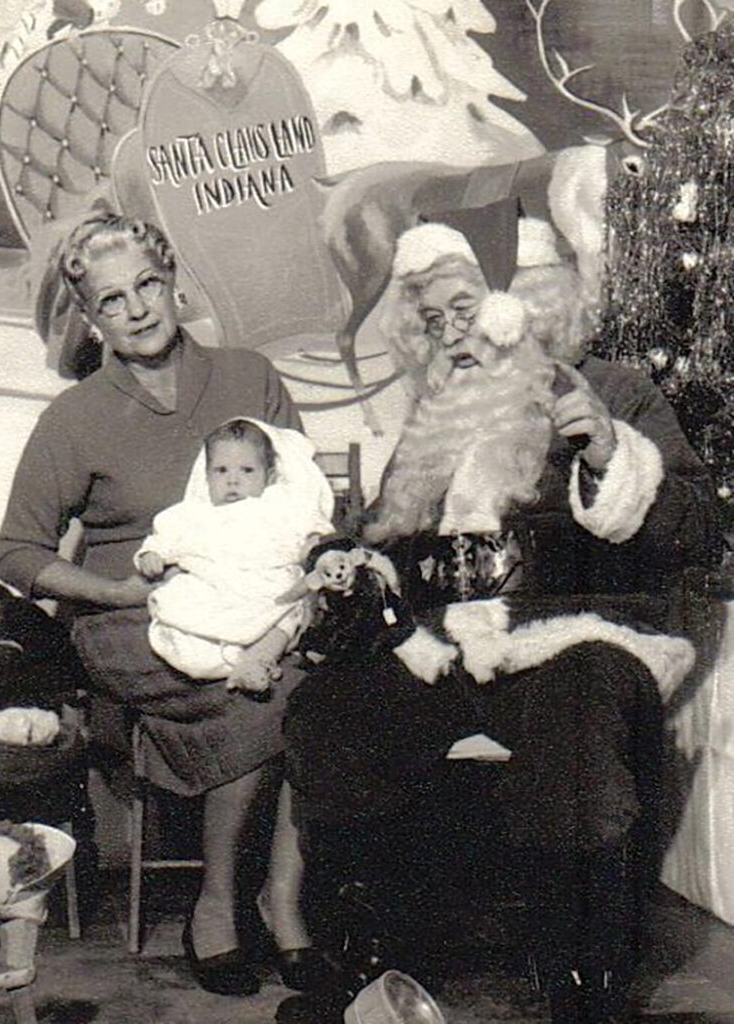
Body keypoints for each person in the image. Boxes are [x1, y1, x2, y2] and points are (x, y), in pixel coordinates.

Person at [277, 214, 722, 1024]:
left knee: (574, 725)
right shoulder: (437, 413)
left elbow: (697, 529)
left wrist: (605, 455)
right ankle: (378, 967)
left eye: (466, 310)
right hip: (451, 650)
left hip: (585, 634)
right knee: (333, 712)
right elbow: (391, 536)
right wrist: (349, 559)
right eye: (435, 319)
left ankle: (583, 979)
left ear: (521, 305)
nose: (454, 336)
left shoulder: (615, 389)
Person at [0, 212, 329, 996]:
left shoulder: (250, 378)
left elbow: (305, 502)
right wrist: (111, 589)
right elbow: (17, 553)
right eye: (112, 300)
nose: (138, 309)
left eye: (147, 284)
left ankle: (281, 901)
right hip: (130, 622)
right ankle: (220, 905)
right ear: (90, 315)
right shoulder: (73, 419)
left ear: (174, 278)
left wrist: (294, 603)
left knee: (314, 685)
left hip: (253, 602)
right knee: (265, 702)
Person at [135, 417, 334, 685]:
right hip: (212, 589)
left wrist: (313, 542)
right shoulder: (193, 513)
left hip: (266, 591)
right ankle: (221, 659)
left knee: (291, 609)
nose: (233, 480)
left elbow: (312, 525)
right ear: (206, 477)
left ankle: (260, 659)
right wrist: (151, 555)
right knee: (180, 614)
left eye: (247, 471)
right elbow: (162, 536)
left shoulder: (279, 506)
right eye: (221, 471)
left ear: (270, 476)